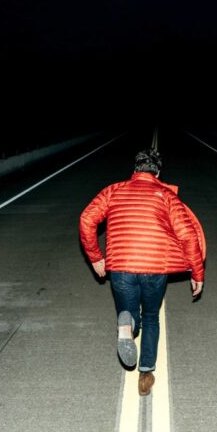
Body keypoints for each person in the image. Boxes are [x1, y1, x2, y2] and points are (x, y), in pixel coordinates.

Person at [79, 148, 205, 396]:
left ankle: (127, 327)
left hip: (121, 266)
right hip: (156, 267)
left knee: (128, 312)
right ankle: (146, 373)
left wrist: (95, 257)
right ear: (157, 171)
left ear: (134, 169)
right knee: (151, 317)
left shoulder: (113, 191)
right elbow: (188, 235)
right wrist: (197, 273)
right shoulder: (167, 196)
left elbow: (86, 219)